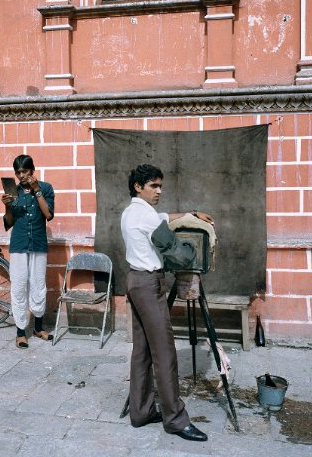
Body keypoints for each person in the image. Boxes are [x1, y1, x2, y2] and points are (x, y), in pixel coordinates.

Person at [120, 164, 213, 442]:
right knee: (165, 353)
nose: (159, 191)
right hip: (149, 285)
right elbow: (179, 253)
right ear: (139, 186)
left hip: (135, 280)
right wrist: (195, 242)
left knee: (142, 351)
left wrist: (190, 214)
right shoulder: (146, 218)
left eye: (160, 186)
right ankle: (175, 419)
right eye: (154, 186)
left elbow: (163, 217)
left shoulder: (133, 211)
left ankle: (142, 412)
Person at [2, 155, 55, 349]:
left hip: (39, 243)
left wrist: (37, 190)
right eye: (18, 173)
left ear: (32, 170)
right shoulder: (13, 191)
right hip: (19, 244)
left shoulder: (46, 188)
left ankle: (38, 328)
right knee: (18, 286)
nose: (21, 176)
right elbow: (8, 222)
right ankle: (20, 332)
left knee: (38, 285)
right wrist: (7, 205)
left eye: (25, 171)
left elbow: (48, 214)